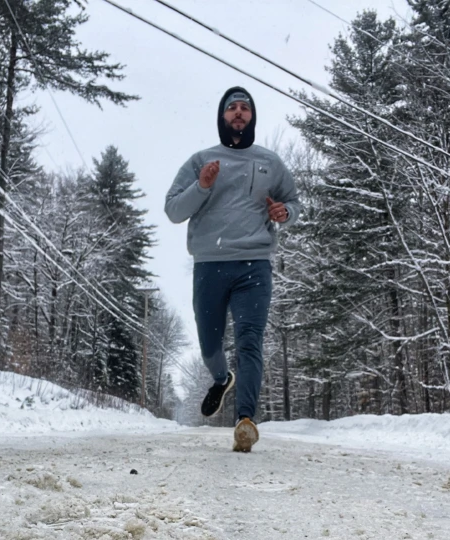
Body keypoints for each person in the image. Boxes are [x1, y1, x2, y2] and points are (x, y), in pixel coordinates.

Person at [165, 87, 301, 452]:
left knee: (249, 340)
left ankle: (245, 420)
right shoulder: (201, 160)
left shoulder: (270, 162)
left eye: (244, 108)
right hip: (210, 264)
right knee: (210, 341)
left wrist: (285, 213)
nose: (238, 113)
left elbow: (296, 203)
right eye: (232, 109)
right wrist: (202, 185)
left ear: (252, 116)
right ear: (222, 117)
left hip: (254, 266)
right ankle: (221, 378)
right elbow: (174, 210)